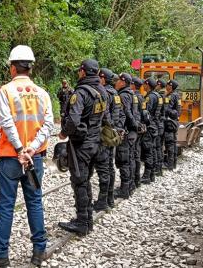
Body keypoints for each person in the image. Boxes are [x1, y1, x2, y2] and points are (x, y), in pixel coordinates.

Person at [0, 45, 54, 267]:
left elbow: (6, 122)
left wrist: (21, 148)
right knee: (34, 202)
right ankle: (39, 251)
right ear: (30, 68)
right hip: (35, 158)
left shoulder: (6, 91)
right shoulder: (43, 93)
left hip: (11, 157)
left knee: (5, 205)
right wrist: (31, 148)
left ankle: (0, 254)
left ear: (13, 68)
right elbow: (48, 124)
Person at [58, 59, 106, 236]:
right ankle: (88, 219)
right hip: (96, 143)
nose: (78, 72)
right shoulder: (102, 91)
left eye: (79, 70)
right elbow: (105, 118)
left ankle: (82, 222)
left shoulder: (81, 93)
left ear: (84, 72)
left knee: (79, 181)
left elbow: (73, 120)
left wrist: (63, 133)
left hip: (81, 146)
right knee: (86, 180)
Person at [93, 68, 123, 211]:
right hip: (113, 134)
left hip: (105, 134)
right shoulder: (116, 94)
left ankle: (103, 201)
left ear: (103, 79)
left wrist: (106, 127)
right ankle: (109, 198)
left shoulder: (104, 93)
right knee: (110, 167)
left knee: (104, 169)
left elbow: (106, 115)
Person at [114, 72, 141, 199]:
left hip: (128, 131)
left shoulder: (124, 95)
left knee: (124, 160)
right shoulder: (133, 94)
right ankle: (130, 185)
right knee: (130, 159)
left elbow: (127, 114)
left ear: (123, 81)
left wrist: (133, 125)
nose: (116, 82)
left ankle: (125, 189)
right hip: (133, 132)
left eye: (118, 80)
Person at [140, 78, 162, 184]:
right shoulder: (157, 95)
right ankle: (152, 175)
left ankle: (146, 176)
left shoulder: (150, 97)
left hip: (150, 127)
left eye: (144, 84)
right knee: (152, 151)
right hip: (155, 126)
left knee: (148, 152)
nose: (143, 85)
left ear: (147, 85)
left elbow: (146, 114)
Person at [163, 80, 181, 171]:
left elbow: (167, 109)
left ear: (171, 86)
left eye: (167, 85)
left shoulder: (171, 96)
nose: (166, 86)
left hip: (170, 123)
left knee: (169, 144)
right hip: (175, 122)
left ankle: (169, 164)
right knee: (173, 143)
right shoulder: (177, 95)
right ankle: (173, 163)